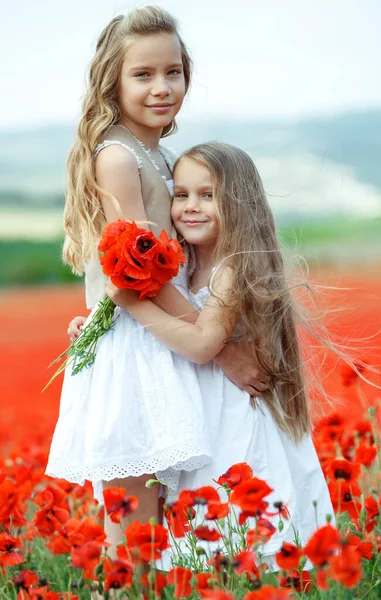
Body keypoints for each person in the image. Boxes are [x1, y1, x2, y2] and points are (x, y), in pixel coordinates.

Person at [45, 8, 267, 557]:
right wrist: (222, 349)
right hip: (142, 351)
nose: (162, 88)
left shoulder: (159, 153)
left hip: (167, 341)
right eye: (143, 75)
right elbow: (139, 272)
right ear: (112, 81)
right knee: (134, 544)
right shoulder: (119, 157)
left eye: (174, 72)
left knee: (162, 542)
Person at [107, 142, 335, 564]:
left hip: (234, 416)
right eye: (182, 195)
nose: (191, 207)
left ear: (239, 202)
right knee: (209, 530)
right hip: (202, 414)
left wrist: (132, 303)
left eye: (207, 196)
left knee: (243, 525)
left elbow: (201, 345)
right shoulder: (185, 264)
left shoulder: (234, 266)